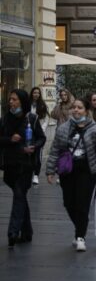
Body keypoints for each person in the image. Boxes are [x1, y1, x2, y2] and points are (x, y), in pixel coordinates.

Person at [46, 97, 96, 252]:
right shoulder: (63, 128)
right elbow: (55, 150)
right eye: (74, 107)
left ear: (86, 111)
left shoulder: (95, 129)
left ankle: (80, 236)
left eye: (79, 108)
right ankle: (80, 226)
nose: (76, 110)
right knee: (68, 203)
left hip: (87, 170)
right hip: (68, 170)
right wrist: (50, 170)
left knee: (82, 204)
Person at [0, 89, 46, 248]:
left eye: (14, 99)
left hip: (26, 164)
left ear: (22, 101)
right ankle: (27, 232)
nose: (11, 102)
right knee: (20, 197)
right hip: (10, 164)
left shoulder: (31, 118)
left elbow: (42, 137)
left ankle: (13, 232)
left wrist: (34, 146)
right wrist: (10, 139)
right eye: (10, 99)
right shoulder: (5, 119)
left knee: (19, 194)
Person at [29, 87, 49, 185]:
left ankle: (36, 175)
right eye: (34, 92)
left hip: (39, 133)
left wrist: (42, 129)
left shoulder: (42, 105)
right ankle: (29, 173)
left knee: (38, 154)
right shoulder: (27, 104)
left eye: (38, 93)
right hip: (28, 133)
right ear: (31, 94)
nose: (36, 94)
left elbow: (46, 119)